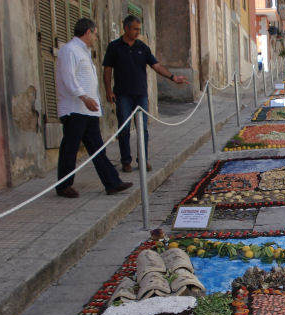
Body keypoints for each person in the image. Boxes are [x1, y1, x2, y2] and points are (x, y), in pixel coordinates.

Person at [55, 18, 132, 198]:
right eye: (95, 34)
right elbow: (69, 79)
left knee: (98, 148)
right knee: (70, 148)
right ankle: (63, 186)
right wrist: (84, 97)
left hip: (87, 110)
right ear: (88, 32)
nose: (96, 38)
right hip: (75, 109)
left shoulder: (83, 51)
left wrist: (92, 102)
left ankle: (112, 182)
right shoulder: (70, 50)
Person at [103, 15, 188, 173]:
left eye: (139, 30)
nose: (137, 32)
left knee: (143, 128)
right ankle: (126, 161)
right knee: (124, 128)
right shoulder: (114, 47)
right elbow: (107, 70)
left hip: (140, 94)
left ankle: (143, 159)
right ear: (126, 28)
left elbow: (156, 66)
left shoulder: (142, 47)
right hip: (122, 94)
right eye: (135, 29)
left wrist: (173, 77)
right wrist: (108, 90)